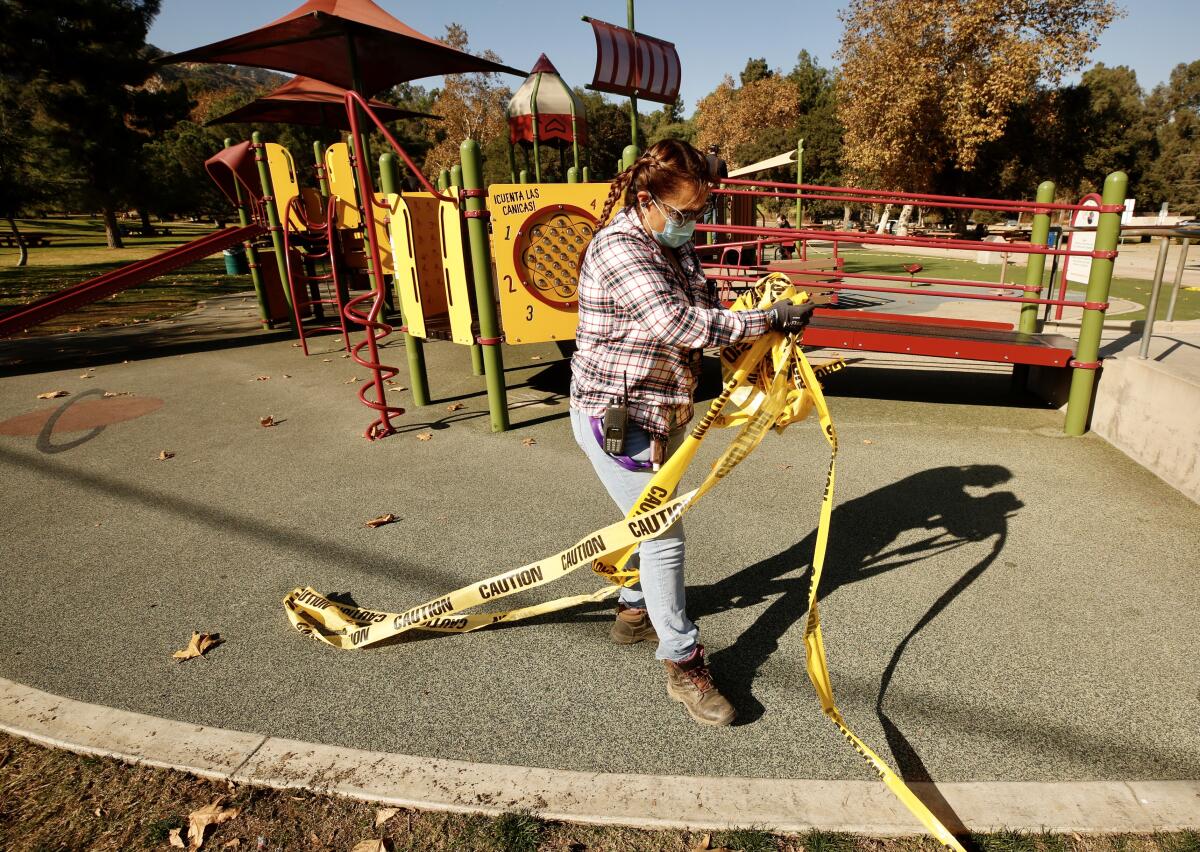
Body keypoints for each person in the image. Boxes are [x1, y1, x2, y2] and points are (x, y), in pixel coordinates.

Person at [569, 140, 814, 726]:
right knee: (664, 538)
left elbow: (704, 306)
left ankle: (634, 608)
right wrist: (767, 319)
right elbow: (676, 323)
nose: (693, 224)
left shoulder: (672, 247)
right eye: (684, 215)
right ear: (648, 199)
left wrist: (757, 342)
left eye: (701, 212)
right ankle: (682, 663)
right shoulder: (620, 249)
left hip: (665, 411)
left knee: (650, 526)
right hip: (618, 419)